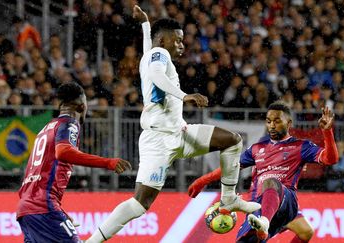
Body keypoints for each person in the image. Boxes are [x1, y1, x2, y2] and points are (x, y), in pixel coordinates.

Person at [86, 6, 260, 242]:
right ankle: (91, 241)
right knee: (140, 204)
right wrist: (183, 95)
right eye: (177, 40)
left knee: (232, 141)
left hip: (179, 133)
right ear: (163, 41)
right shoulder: (160, 56)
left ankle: (228, 198)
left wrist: (146, 25)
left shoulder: (152, 54)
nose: (181, 45)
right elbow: (158, 73)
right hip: (158, 140)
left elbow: (151, 53)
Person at [187, 102, 339, 242]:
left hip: (286, 202)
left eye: (277, 121)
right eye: (268, 121)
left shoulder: (301, 146)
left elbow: (330, 159)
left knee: (271, 181)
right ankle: (263, 225)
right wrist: (203, 181)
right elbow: (231, 167)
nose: (272, 125)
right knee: (305, 232)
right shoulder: (256, 148)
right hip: (258, 205)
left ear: (289, 123)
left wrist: (327, 132)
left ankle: (264, 223)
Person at [16, 82, 132, 243]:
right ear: (81, 106)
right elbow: (63, 152)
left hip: (27, 208)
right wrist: (108, 163)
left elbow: (35, 174)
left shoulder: (47, 128)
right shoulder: (69, 123)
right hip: (43, 206)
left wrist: (59, 211)